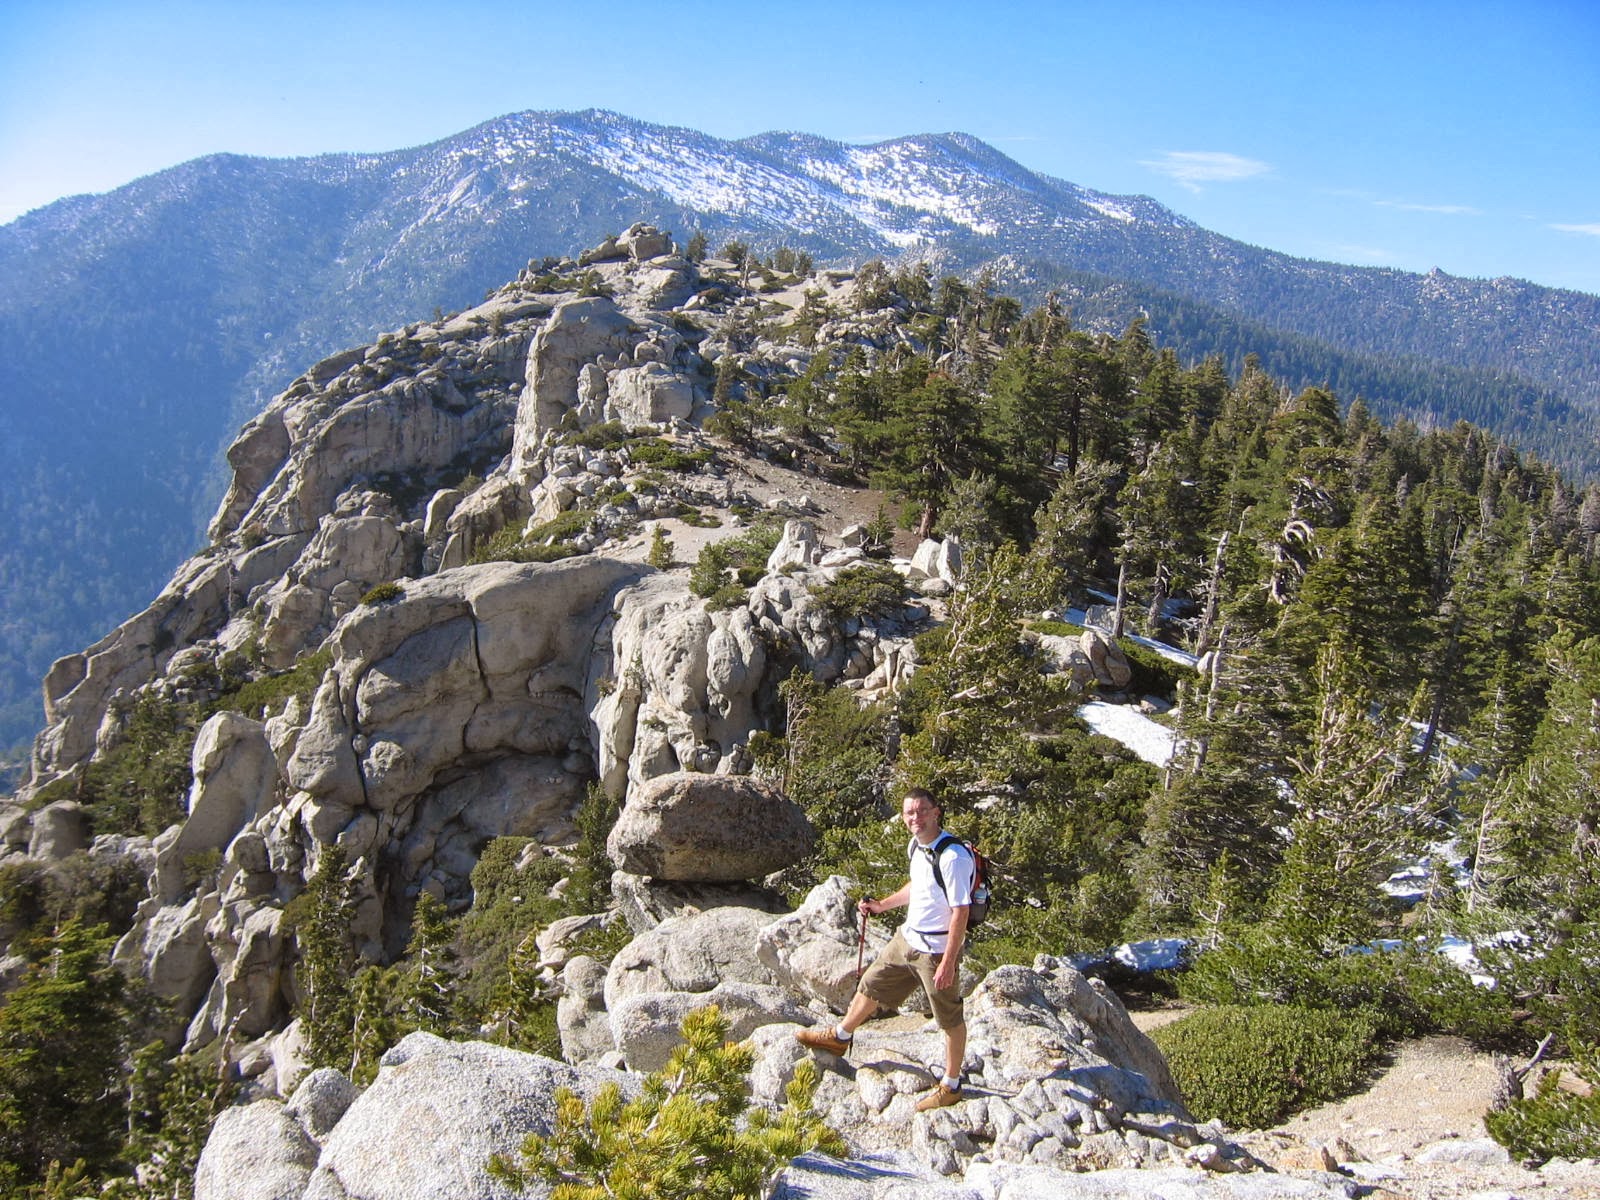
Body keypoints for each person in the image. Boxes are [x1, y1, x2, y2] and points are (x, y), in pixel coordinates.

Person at [795, 786, 974, 1111]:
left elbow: (961, 910)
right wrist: (882, 906)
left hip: (935, 949)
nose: (915, 818)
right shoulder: (918, 847)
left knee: (948, 1017)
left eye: (921, 811)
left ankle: (951, 1084)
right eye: (909, 813)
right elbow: (919, 886)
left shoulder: (953, 858)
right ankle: (841, 1035)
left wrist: (949, 960)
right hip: (907, 938)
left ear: (936, 812)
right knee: (872, 984)